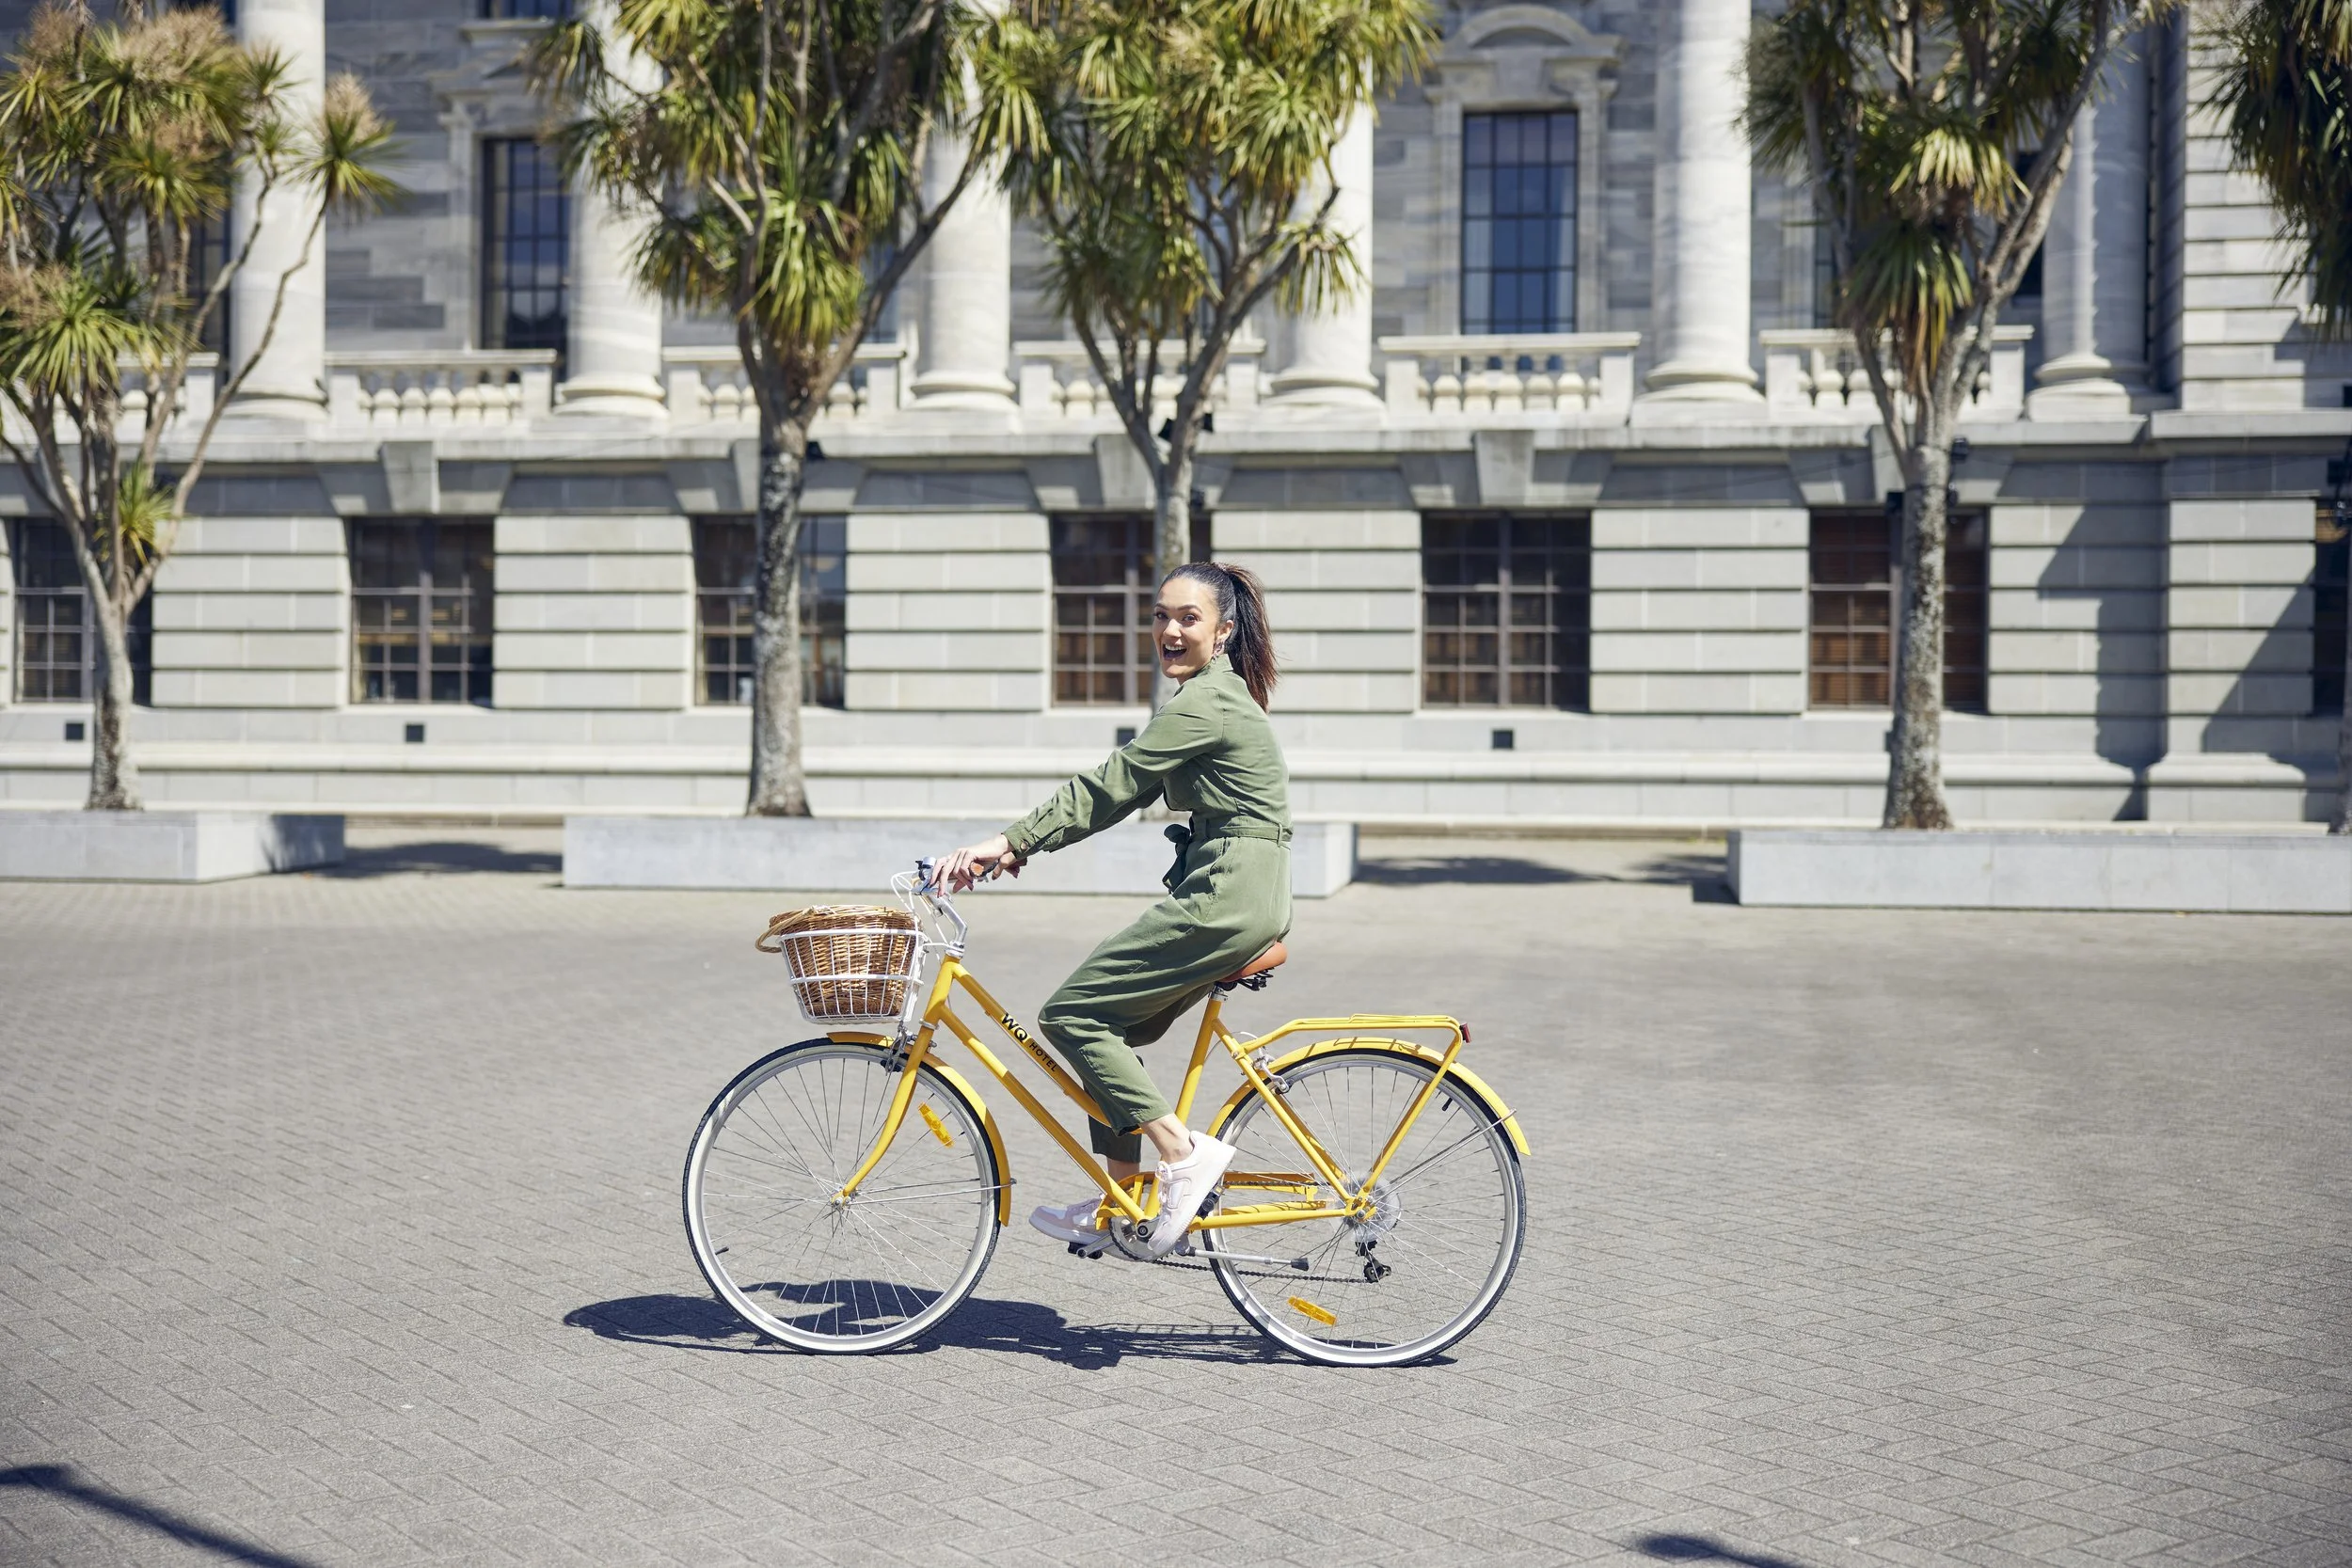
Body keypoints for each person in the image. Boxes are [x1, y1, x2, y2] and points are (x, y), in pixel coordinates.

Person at [935, 561, 1290, 1258]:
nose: (1169, 630)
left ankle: (1181, 1157)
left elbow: (1112, 781)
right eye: (1160, 616)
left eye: (1188, 618)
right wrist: (1021, 851)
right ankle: (1121, 1204)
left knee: (1072, 1014)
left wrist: (1009, 837)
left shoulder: (1205, 702)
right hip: (1237, 889)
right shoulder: (1208, 698)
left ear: (1221, 632)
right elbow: (1125, 794)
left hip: (1229, 894)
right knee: (1107, 1028)